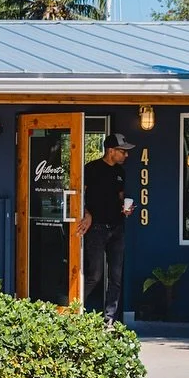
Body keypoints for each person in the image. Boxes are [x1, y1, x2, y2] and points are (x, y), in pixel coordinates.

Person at [76, 133, 136, 328]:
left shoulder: (120, 172)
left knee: (116, 277)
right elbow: (78, 195)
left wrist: (126, 209)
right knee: (94, 275)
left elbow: (120, 197)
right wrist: (86, 213)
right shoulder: (91, 169)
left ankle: (109, 319)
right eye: (123, 151)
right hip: (96, 229)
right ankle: (73, 312)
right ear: (111, 151)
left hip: (117, 228)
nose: (126, 155)